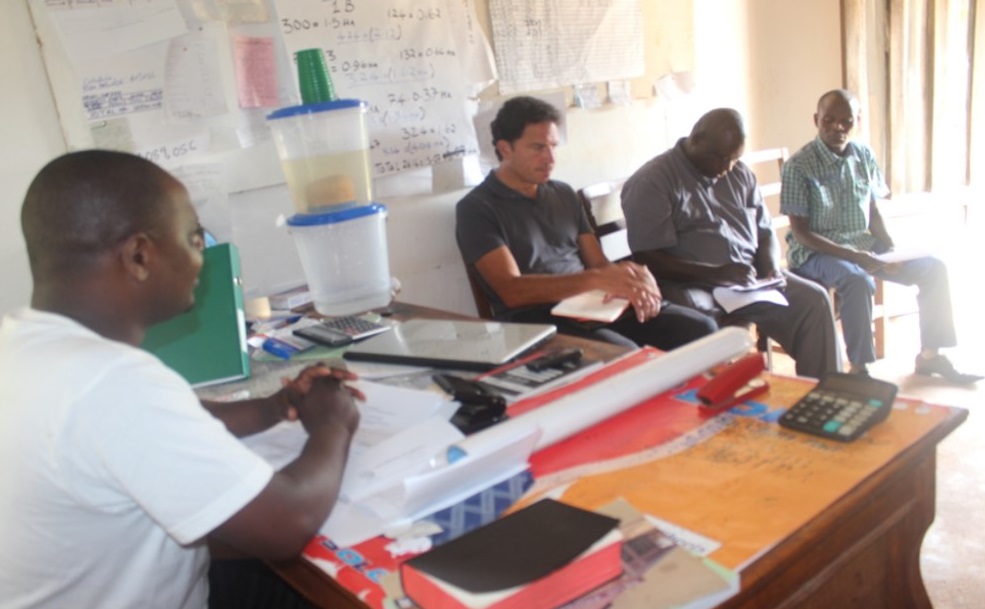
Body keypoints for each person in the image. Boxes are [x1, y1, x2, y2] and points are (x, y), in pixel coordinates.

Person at [0, 150, 362, 609]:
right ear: (138, 255)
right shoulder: (112, 382)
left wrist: (274, 406)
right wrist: (333, 424)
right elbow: (286, 524)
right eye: (195, 238)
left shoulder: (24, 344)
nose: (202, 257)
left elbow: (159, 425)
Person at [456, 96, 718, 351]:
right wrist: (595, 280)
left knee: (700, 328)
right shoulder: (477, 209)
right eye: (538, 148)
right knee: (624, 355)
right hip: (536, 320)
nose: (550, 159)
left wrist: (632, 282)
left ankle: (691, 396)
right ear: (505, 149)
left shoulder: (563, 194)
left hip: (590, 305)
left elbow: (599, 264)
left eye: (553, 146)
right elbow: (512, 291)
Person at [620, 108, 840, 379]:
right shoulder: (654, 181)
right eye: (721, 157)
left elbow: (765, 232)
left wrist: (770, 268)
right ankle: (716, 404)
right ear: (696, 139)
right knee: (699, 321)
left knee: (813, 300)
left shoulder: (739, 174)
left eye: (734, 159)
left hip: (750, 279)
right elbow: (647, 257)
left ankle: (823, 396)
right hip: (690, 284)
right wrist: (716, 274)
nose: (727, 167)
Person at [781, 89, 981, 382]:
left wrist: (890, 249)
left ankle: (930, 356)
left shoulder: (863, 155)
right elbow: (801, 232)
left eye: (846, 121)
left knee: (934, 268)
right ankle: (860, 369)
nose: (838, 127)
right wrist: (854, 257)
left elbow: (872, 211)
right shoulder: (799, 165)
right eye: (829, 120)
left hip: (863, 244)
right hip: (815, 252)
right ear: (816, 120)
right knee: (857, 280)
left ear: (857, 121)